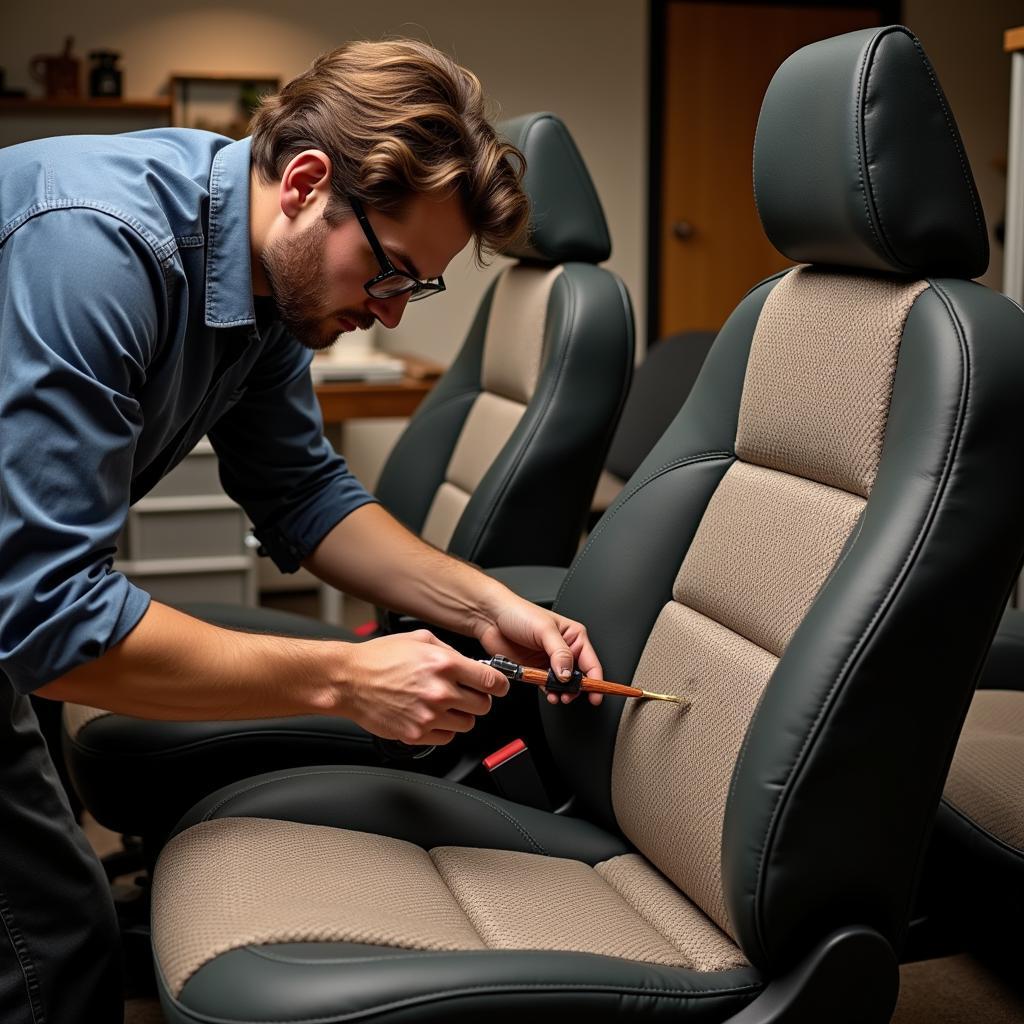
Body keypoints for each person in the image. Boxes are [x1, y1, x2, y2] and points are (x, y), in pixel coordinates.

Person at [0, 40, 603, 1023]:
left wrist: (491, 606)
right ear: (308, 182)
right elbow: (48, 623)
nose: (385, 310)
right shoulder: (99, 247)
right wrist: (345, 680)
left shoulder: (267, 289)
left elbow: (305, 494)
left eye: (414, 288)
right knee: (50, 946)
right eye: (388, 270)